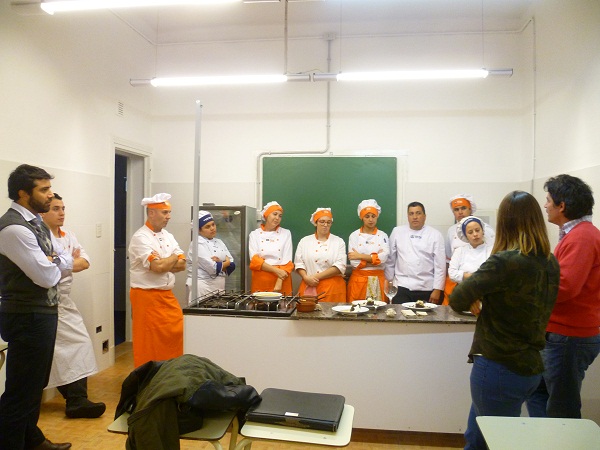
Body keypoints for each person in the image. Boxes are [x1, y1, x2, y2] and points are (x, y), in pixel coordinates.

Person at [449, 191, 559, 450]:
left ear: (505, 222)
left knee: (495, 441)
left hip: (499, 365)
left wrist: (479, 295)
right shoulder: (550, 261)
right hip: (532, 365)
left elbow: (458, 298)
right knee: (476, 436)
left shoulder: (505, 261)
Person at [0, 164, 72, 450]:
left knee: (34, 385)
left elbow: (65, 257)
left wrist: (55, 260)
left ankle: (32, 439)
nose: (50, 195)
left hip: (41, 312)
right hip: (26, 314)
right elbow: (46, 276)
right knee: (21, 389)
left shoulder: (36, 222)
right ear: (23, 193)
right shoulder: (14, 228)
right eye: (43, 190)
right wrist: (55, 262)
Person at [527, 174, 600, 419]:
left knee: (562, 408)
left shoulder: (582, 237)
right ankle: (544, 437)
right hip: (562, 333)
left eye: (548, 200)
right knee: (538, 393)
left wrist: (525, 288)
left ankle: (561, 438)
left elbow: (564, 288)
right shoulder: (576, 234)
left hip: (569, 336)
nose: (545, 205)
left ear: (562, 206)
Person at [42, 194, 106, 419]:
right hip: (47, 300)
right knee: (62, 349)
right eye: (55, 208)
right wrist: (69, 260)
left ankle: (77, 399)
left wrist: (59, 261)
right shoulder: (40, 237)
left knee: (80, 344)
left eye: (63, 208)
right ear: (42, 212)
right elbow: (45, 266)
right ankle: (76, 400)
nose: (61, 213)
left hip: (65, 300)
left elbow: (85, 262)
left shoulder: (68, 235)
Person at [128, 193, 186, 368]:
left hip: (167, 296)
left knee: (177, 333)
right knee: (149, 343)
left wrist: (166, 262)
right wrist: (173, 257)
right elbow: (157, 267)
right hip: (146, 298)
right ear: (151, 213)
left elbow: (182, 265)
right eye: (165, 212)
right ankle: (148, 377)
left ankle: (170, 372)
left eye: (169, 212)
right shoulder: (141, 237)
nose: (169, 217)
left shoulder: (168, 235)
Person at [384, 202, 445, 304]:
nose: (415, 217)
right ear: (408, 216)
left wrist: (438, 289)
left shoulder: (435, 235)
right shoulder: (397, 232)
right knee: (399, 313)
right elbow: (390, 260)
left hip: (427, 288)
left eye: (418, 213)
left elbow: (440, 265)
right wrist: (389, 282)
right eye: (411, 214)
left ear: (424, 216)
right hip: (402, 286)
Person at [444, 194, 495, 304]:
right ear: (465, 236)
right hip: (460, 288)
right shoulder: (454, 239)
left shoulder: (490, 246)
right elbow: (450, 267)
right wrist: (468, 276)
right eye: (456, 209)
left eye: (463, 208)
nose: (475, 235)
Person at [294, 208, 347, 302]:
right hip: (308, 284)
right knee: (308, 311)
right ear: (315, 223)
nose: (325, 225)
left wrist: (314, 278)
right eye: (322, 222)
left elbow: (340, 266)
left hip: (332, 287)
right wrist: (306, 278)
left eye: (328, 222)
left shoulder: (339, 242)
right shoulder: (304, 241)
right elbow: (299, 263)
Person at [186, 210, 236, 303]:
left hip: (219, 288)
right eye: (207, 227)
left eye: (213, 224)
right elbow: (213, 268)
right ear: (199, 230)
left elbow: (232, 265)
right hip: (202, 288)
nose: (212, 228)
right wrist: (226, 262)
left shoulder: (219, 242)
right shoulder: (197, 244)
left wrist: (222, 263)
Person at [347, 199, 389, 302]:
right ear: (362, 218)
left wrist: (360, 256)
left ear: (377, 216)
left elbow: (384, 258)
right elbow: (354, 263)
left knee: (379, 310)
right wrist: (375, 260)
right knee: (357, 309)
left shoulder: (383, 235)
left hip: (379, 280)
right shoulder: (354, 236)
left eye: (373, 216)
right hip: (359, 281)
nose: (371, 219)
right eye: (367, 216)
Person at [248, 201, 294, 294]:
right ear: (266, 215)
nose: (277, 218)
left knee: (282, 303)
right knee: (260, 302)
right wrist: (276, 271)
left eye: (280, 216)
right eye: (275, 214)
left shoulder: (286, 233)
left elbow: (287, 260)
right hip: (261, 279)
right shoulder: (254, 234)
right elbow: (255, 260)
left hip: (282, 279)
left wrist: (279, 280)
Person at [448, 216, 493, 285]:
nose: (475, 234)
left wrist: (464, 275)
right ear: (465, 236)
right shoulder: (459, 251)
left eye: (477, 230)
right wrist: (477, 277)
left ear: (483, 231)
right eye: (470, 232)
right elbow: (452, 273)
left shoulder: (492, 250)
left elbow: (494, 273)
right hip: (464, 289)